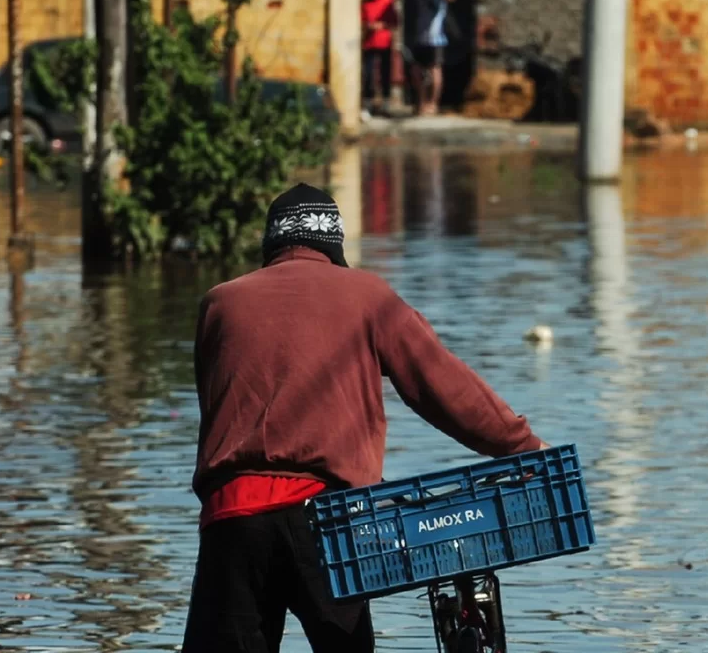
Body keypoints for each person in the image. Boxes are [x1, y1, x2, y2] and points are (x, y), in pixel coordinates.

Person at [181, 183, 546, 653]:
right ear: (334, 245)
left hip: (231, 519)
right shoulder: (367, 295)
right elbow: (442, 388)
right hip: (325, 523)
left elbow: (217, 408)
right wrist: (522, 445)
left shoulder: (218, 304)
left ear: (271, 243)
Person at [409, 0, 457, 114]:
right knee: (418, 71)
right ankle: (422, 102)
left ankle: (433, 103)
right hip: (420, 37)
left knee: (434, 70)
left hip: (435, 37)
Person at [360, 0, 399, 118]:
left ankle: (385, 106)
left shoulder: (389, 1)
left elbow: (395, 22)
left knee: (385, 74)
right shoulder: (366, 2)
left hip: (384, 43)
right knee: (368, 75)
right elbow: (361, 20)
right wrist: (367, 26)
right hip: (369, 44)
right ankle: (368, 105)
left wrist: (381, 25)